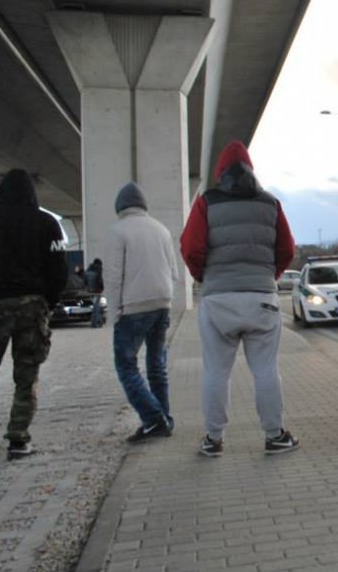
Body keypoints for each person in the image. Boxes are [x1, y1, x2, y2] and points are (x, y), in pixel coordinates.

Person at [180, 140, 298, 457]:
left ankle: (213, 439)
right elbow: (287, 249)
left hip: (219, 300)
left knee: (216, 372)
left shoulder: (206, 203)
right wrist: (269, 276)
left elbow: (190, 247)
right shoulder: (271, 204)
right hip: (261, 298)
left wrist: (205, 276)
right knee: (266, 370)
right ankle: (275, 435)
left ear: (220, 173)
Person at [0, 168, 68, 459]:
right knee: (26, 375)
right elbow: (59, 269)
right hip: (32, 307)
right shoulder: (46, 223)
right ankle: (18, 439)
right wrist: (50, 301)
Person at [104, 183, 179, 443]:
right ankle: (164, 418)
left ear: (119, 207)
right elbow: (174, 272)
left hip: (133, 307)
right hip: (162, 303)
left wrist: (113, 313)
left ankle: (153, 418)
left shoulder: (118, 231)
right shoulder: (161, 229)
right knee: (157, 365)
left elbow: (113, 277)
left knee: (126, 365)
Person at [84, 257, 105, 327]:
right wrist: (102, 288)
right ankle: (97, 322)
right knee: (97, 307)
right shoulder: (98, 270)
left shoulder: (87, 271)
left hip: (89, 292)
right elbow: (100, 281)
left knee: (95, 306)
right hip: (97, 291)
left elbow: (84, 282)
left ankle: (95, 322)